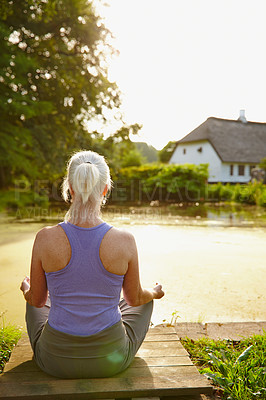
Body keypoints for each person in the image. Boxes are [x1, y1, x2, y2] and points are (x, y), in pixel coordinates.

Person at [20, 150, 164, 379]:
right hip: (110, 361)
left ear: (70, 187)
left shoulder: (44, 238)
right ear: (106, 188)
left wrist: (27, 289)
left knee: (37, 299)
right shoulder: (125, 240)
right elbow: (134, 299)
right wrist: (154, 293)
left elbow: (37, 300)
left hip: (55, 362)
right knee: (143, 300)